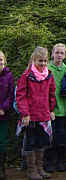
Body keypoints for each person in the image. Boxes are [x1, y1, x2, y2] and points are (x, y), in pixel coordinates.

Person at [16, 47, 56, 180]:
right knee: (30, 142)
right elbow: (21, 96)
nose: (43, 63)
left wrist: (51, 110)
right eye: (40, 61)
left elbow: (51, 94)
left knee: (42, 142)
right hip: (30, 116)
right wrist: (25, 113)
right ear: (34, 60)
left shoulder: (49, 75)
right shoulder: (26, 76)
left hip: (43, 115)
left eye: (45, 61)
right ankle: (31, 170)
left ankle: (40, 168)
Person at [45, 43, 66, 172]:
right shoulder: (47, 68)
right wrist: (49, 109)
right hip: (49, 110)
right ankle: (49, 162)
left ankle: (61, 162)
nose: (59, 55)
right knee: (49, 137)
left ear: (65, 55)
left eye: (62, 53)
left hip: (63, 110)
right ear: (52, 53)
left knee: (61, 137)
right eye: (57, 52)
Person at [0, 51, 14, 180]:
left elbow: (10, 95)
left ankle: (2, 169)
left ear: (4, 61)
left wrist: (3, 108)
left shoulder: (9, 76)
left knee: (2, 142)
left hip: (3, 115)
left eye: (0, 60)